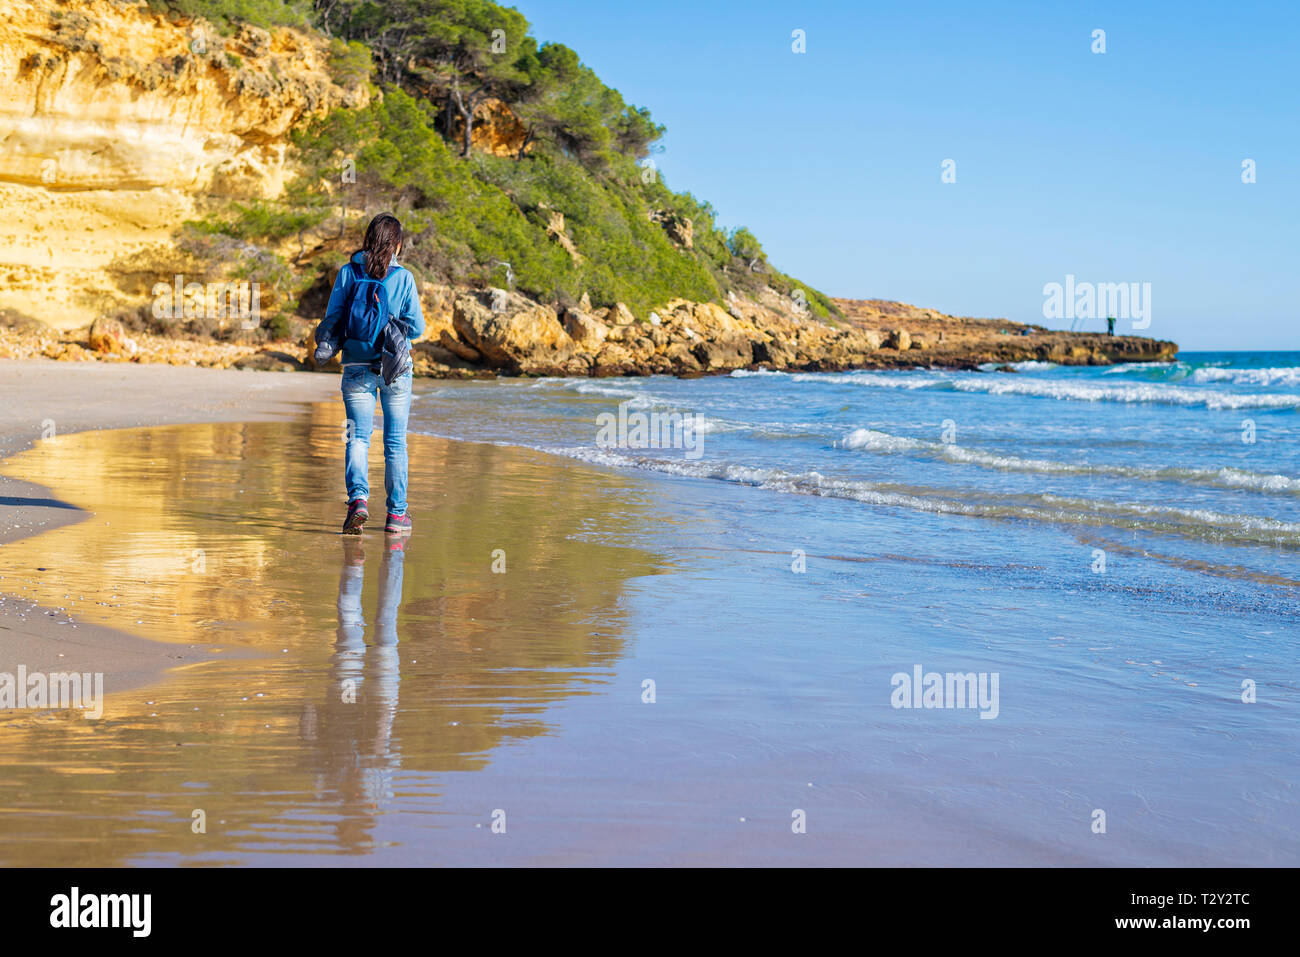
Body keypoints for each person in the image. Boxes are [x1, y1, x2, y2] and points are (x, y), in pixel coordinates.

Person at [323, 213, 425, 534]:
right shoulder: (404, 277)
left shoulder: (347, 272)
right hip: (396, 369)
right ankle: (396, 516)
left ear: (367, 239)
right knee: (395, 442)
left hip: (355, 366)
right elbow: (418, 328)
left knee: (358, 437)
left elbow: (333, 318)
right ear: (397, 244)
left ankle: (358, 501)